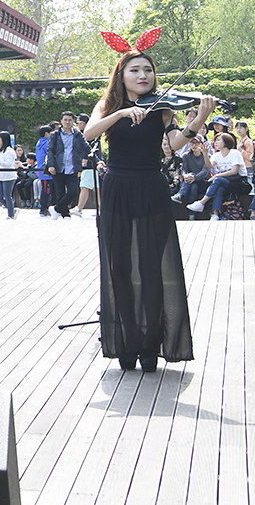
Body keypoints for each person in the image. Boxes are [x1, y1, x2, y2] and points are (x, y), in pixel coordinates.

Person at [86, 37, 208, 372]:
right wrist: (123, 112)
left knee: (153, 268)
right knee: (120, 268)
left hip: (151, 185)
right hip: (117, 186)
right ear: (121, 74)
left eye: (149, 70)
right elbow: (89, 133)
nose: (143, 75)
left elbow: (174, 144)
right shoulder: (107, 105)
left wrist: (198, 120)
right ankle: (127, 341)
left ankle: (150, 346)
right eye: (135, 69)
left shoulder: (164, 106)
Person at [184, 133, 246, 218]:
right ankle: (215, 214)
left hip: (239, 183)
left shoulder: (235, 153)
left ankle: (201, 203)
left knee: (218, 180)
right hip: (224, 182)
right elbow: (209, 166)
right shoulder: (216, 155)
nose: (215, 142)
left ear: (226, 141)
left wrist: (217, 175)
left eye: (218, 140)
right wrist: (205, 155)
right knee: (219, 189)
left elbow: (234, 171)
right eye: (215, 140)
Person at [46, 111, 86, 219]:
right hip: (58, 167)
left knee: (73, 191)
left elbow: (86, 147)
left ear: (73, 121)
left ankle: (56, 209)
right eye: (65, 120)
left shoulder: (78, 135)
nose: (67, 122)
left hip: (73, 167)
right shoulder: (55, 134)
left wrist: (96, 158)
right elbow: (50, 150)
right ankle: (65, 214)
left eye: (70, 120)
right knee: (60, 192)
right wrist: (51, 165)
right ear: (61, 121)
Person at [171, 135, 213, 208]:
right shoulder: (186, 156)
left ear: (201, 144)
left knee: (192, 175)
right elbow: (183, 169)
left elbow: (205, 171)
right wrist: (185, 176)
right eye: (192, 143)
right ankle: (192, 215)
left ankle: (181, 194)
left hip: (204, 182)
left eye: (197, 143)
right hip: (190, 182)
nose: (194, 145)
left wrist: (195, 177)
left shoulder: (207, 156)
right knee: (193, 187)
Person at [0, 132, 19, 220]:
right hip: (1, 176)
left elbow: (9, 164)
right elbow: (0, 163)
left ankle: (11, 214)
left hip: (9, 176)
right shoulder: (2, 151)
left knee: (7, 195)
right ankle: (12, 209)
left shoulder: (10, 151)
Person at [34, 126, 53, 215]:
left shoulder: (39, 142)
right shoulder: (47, 143)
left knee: (45, 189)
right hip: (47, 171)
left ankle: (45, 208)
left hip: (41, 170)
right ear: (46, 133)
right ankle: (44, 209)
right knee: (46, 190)